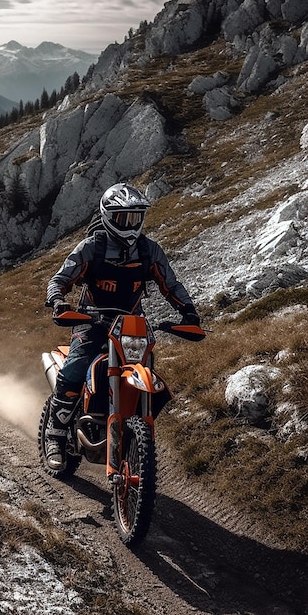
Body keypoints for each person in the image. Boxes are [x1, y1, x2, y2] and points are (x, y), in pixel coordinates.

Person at [44, 182, 200, 470]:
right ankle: (55, 435)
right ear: (107, 216)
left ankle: (134, 431)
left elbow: (171, 284)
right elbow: (60, 279)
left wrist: (188, 311)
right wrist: (57, 301)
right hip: (91, 320)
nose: (130, 225)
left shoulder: (149, 250)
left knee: (148, 369)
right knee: (75, 369)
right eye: (122, 218)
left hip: (131, 324)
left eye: (135, 217)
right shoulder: (92, 247)